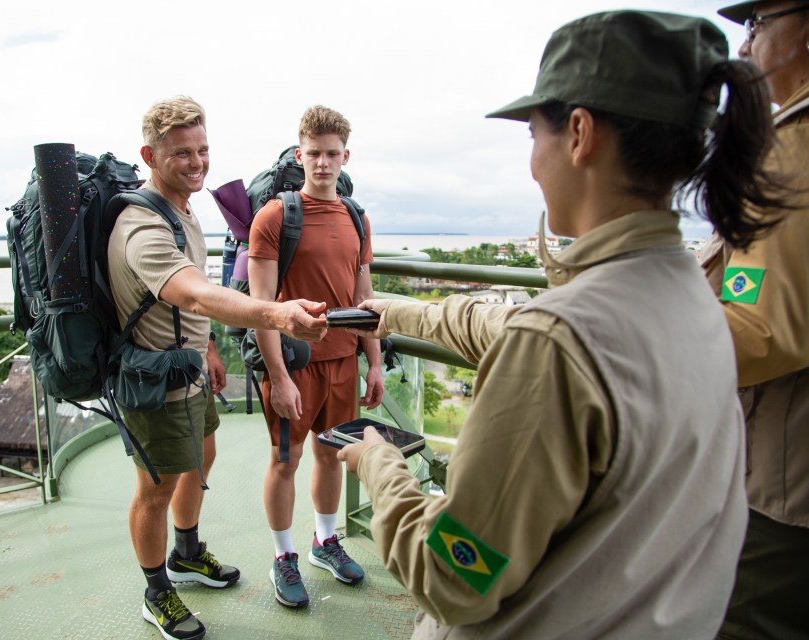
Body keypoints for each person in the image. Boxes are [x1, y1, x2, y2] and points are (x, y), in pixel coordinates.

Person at [337, 11, 786, 639]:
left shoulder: (560, 341)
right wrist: (400, 312)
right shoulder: (695, 299)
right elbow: (525, 328)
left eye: (532, 135)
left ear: (579, 133)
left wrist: (381, 467)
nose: (532, 161)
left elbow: (455, 574)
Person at [107, 96, 329, 640]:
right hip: (152, 381)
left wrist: (206, 349)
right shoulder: (142, 223)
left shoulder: (180, 207)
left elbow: (184, 304)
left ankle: (185, 554)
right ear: (150, 155)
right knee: (155, 489)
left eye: (202, 149)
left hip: (186, 369)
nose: (197, 162)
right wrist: (276, 313)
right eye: (182, 153)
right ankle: (157, 591)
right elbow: (196, 294)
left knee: (199, 458)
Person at [247, 105, 384, 608]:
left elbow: (364, 294)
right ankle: (283, 556)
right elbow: (260, 308)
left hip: (345, 360)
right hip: (294, 363)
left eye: (332, 155)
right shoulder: (275, 217)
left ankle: (324, 542)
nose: (323, 164)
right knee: (286, 459)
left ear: (345, 156)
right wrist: (278, 377)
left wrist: (374, 360)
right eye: (314, 154)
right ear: (299, 153)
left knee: (332, 454)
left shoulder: (357, 216)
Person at [708, 3, 809, 639]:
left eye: (759, 22)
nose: (745, 44)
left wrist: (601, 336)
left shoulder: (789, 153)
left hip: (783, 482)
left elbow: (759, 332)